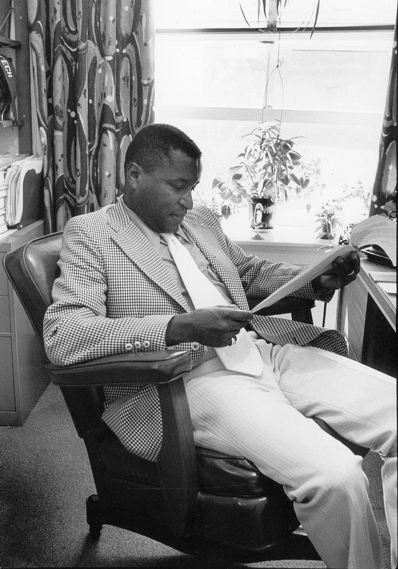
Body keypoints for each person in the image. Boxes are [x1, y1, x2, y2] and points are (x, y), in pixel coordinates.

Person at [43, 123, 396, 569]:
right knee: (337, 476)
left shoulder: (201, 222)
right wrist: (178, 326)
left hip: (261, 350)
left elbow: (247, 273)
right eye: (177, 187)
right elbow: (64, 333)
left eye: (192, 187)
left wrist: (311, 279)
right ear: (133, 175)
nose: (188, 201)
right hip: (186, 381)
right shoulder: (90, 234)